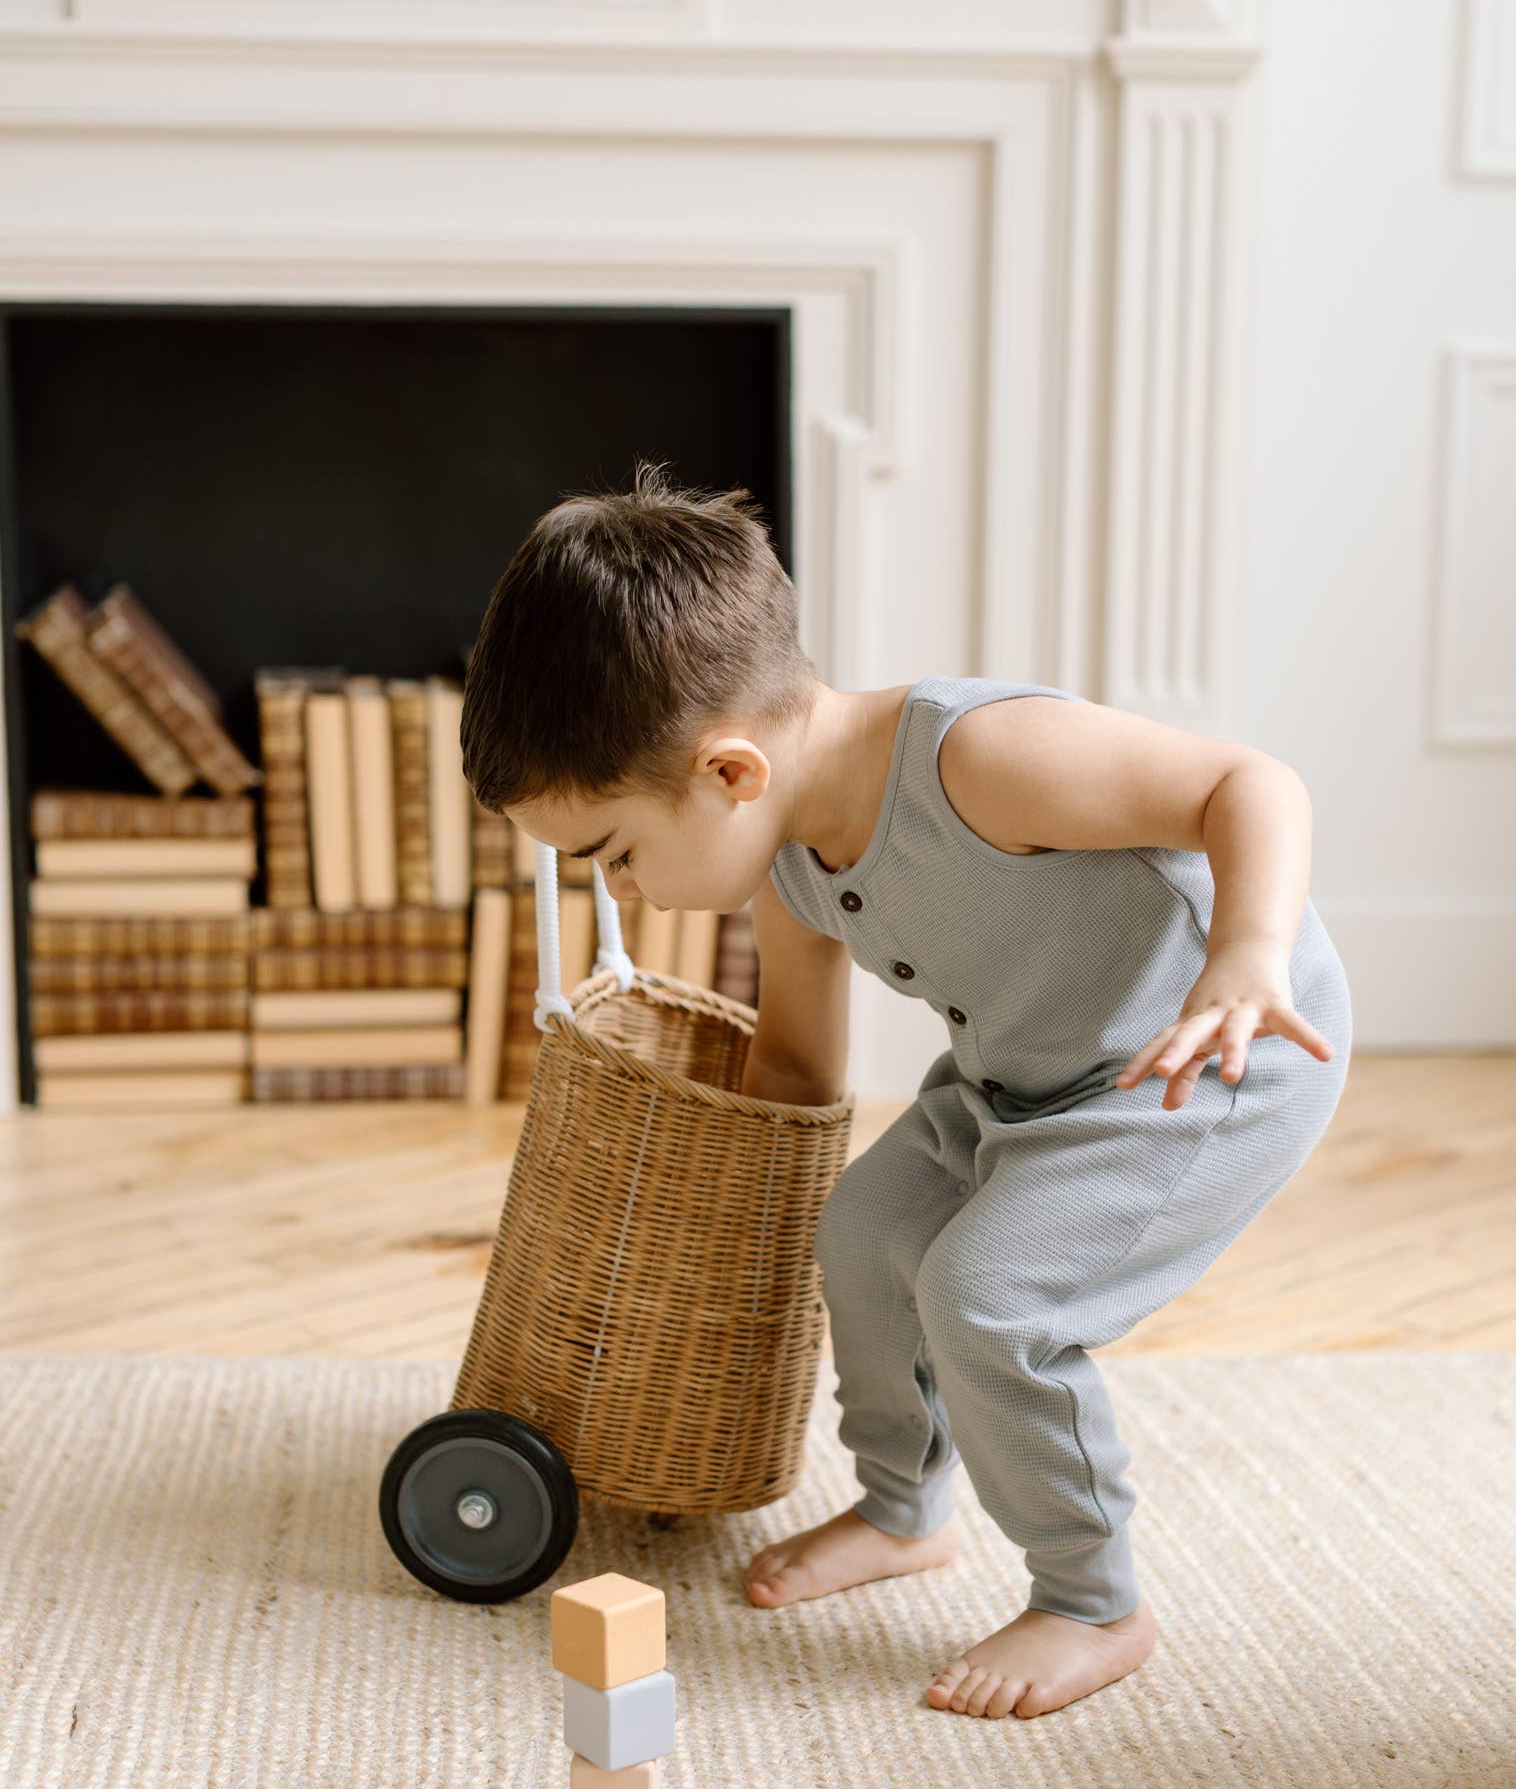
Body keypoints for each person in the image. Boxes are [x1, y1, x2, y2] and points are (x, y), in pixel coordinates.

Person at [460, 464, 1352, 1721]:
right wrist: (704, 1217)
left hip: (1208, 1064)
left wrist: (1246, 957)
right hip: (1019, 1079)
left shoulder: (980, 758)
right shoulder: (787, 858)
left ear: (728, 773)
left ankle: (1093, 1601)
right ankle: (900, 1510)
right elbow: (795, 1072)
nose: (622, 890)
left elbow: (1249, 784)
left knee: (986, 1298)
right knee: (866, 1231)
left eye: (614, 853)